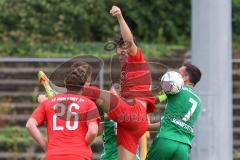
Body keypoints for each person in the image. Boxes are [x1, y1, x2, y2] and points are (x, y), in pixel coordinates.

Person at [83, 5, 155, 160]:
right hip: (132, 122)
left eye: (123, 53)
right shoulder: (126, 74)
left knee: (96, 92)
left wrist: (120, 17)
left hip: (134, 114)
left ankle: (71, 92)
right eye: (119, 54)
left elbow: (128, 41)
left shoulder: (137, 61)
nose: (121, 56)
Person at [26, 61, 100, 160]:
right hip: (79, 156)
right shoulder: (89, 103)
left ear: (65, 82)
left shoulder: (48, 103)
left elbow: (30, 125)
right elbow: (93, 131)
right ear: (83, 85)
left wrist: (46, 146)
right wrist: (84, 144)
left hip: (53, 155)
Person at [146, 63, 202, 160]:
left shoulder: (176, 89)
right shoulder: (198, 101)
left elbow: (151, 102)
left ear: (185, 78)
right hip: (184, 147)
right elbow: (171, 123)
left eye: (178, 73)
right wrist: (144, 127)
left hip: (165, 141)